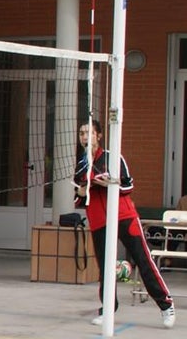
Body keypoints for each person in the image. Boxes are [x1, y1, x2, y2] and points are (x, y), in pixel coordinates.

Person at [74, 119, 174, 328]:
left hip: (124, 216)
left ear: (98, 135)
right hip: (99, 221)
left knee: (143, 260)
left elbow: (128, 186)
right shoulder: (81, 165)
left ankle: (166, 305)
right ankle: (108, 310)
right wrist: (82, 192)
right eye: (82, 133)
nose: (85, 136)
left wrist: (109, 184)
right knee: (105, 268)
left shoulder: (113, 158)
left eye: (89, 132)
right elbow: (79, 199)